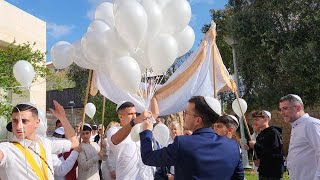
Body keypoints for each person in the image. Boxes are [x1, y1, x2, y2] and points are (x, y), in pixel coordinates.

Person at [140, 96, 244, 179]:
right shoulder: (233, 146)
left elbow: (148, 157)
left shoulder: (183, 143)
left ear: (198, 120)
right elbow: (238, 177)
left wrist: (147, 131)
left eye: (186, 113)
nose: (184, 116)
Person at [0, 100, 79, 180]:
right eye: (15, 121)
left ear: (37, 123)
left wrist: (63, 118)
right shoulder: (7, 148)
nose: (18, 126)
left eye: (24, 121)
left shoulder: (45, 143)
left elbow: (74, 142)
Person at [107, 97, 158, 180]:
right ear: (121, 117)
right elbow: (115, 140)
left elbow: (155, 113)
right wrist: (135, 122)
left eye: (135, 113)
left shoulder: (142, 127)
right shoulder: (113, 130)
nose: (134, 116)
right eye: (130, 114)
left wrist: (152, 97)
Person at [278, 94, 320, 180]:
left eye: (285, 108)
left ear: (298, 108)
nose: (282, 113)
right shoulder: (296, 125)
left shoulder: (311, 124)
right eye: (281, 110)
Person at [248, 110, 284, 179]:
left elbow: (274, 151)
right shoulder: (260, 134)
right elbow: (259, 151)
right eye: (254, 120)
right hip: (263, 170)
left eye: (257, 119)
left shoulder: (273, 133)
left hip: (272, 172)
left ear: (266, 119)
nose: (255, 122)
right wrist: (255, 158)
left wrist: (255, 145)